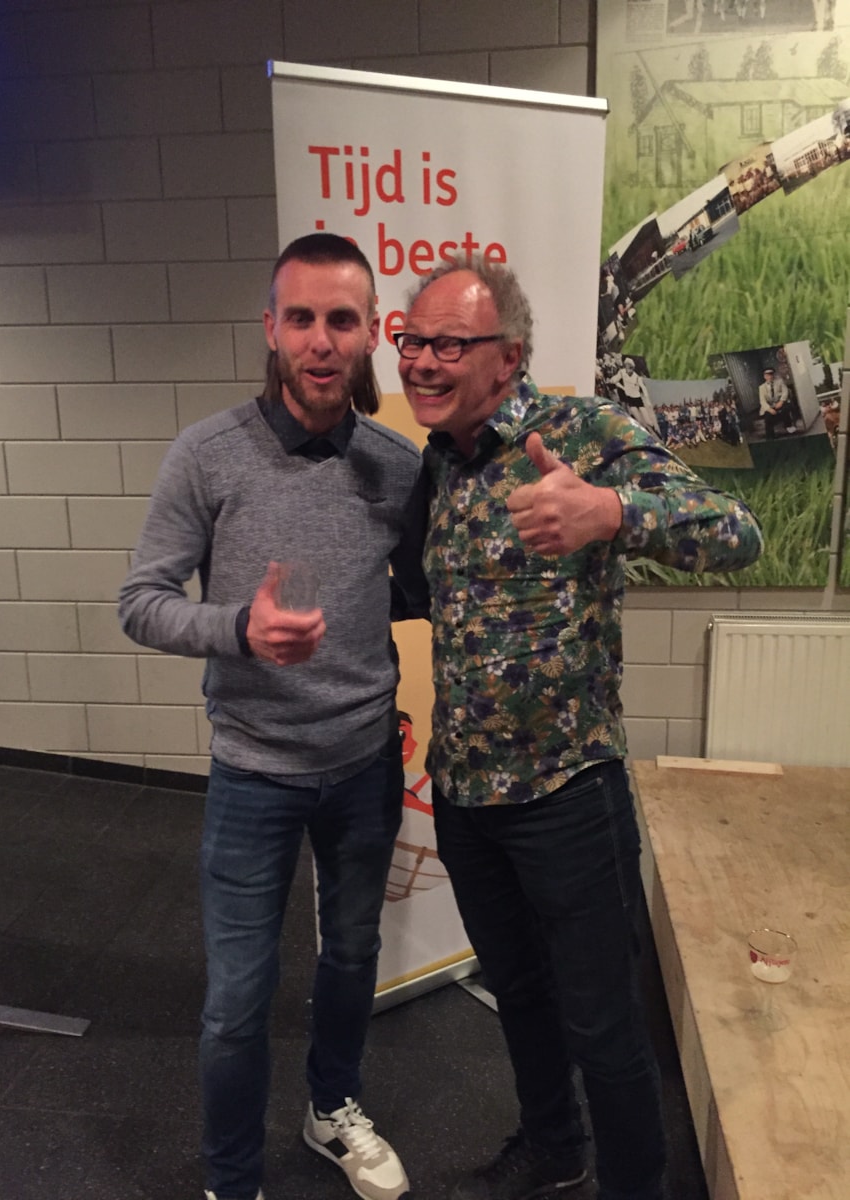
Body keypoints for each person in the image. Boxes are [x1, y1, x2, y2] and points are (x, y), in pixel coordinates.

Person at [394, 254, 763, 1200]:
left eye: (448, 344)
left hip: (567, 793)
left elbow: (737, 531)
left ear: (509, 357)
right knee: (519, 994)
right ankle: (555, 1147)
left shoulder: (581, 433)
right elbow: (428, 598)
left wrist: (609, 510)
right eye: (412, 341)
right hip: (466, 791)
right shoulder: (437, 465)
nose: (422, 361)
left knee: (604, 1023)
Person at [119, 232, 428, 1200]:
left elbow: (429, 587)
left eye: (341, 320)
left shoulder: (397, 466)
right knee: (236, 1002)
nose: (321, 341)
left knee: (352, 957)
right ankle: (232, 1178)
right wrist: (238, 631)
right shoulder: (207, 456)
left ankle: (331, 1108)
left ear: (371, 332)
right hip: (253, 770)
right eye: (301, 318)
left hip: (366, 765)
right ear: (270, 328)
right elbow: (140, 602)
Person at [757, 366, 796, 438]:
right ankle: (770, 436)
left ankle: (788, 425)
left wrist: (781, 401)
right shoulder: (761, 387)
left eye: (771, 374)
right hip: (770, 407)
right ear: (764, 376)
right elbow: (762, 401)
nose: (770, 377)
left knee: (787, 407)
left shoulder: (779, 382)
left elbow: (785, 392)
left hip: (779, 404)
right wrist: (769, 409)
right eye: (767, 375)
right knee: (768, 418)